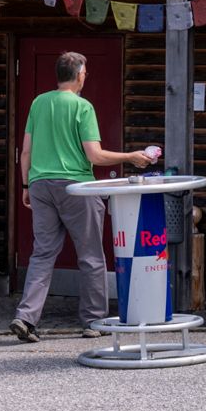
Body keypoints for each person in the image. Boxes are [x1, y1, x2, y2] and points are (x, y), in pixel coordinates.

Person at [12, 51, 157, 343]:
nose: (85, 77)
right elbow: (95, 155)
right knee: (90, 255)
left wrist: (26, 186)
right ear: (79, 75)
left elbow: (25, 152)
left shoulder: (39, 103)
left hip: (40, 185)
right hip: (76, 187)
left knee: (41, 254)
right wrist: (132, 156)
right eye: (85, 73)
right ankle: (94, 320)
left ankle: (26, 317)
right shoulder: (83, 107)